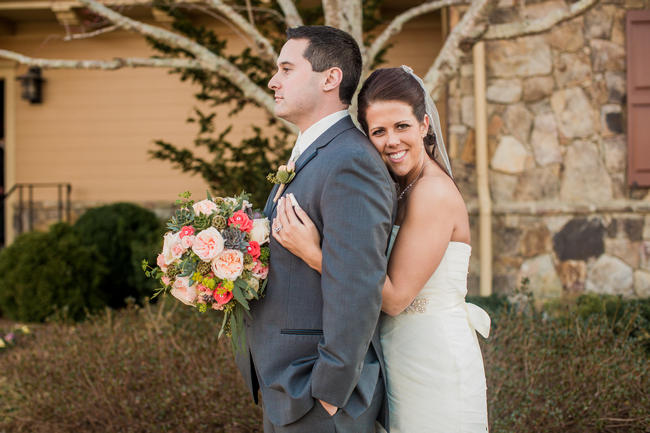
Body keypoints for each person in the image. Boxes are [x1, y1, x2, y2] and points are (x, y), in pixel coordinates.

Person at [273, 66, 491, 433]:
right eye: (379, 131)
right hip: (398, 354)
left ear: (424, 125)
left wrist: (313, 253)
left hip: (432, 360)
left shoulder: (432, 193)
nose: (392, 141)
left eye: (402, 126)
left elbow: (393, 299)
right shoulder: (399, 187)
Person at [234, 26, 396, 433]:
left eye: (287, 69)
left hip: (319, 397)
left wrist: (327, 392)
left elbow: (359, 285)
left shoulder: (349, 161)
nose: (273, 81)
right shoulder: (312, 153)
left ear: (330, 78)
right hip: (285, 388)